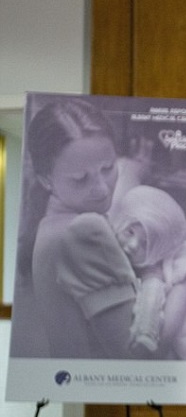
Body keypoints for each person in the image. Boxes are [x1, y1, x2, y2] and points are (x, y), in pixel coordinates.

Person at [19, 98, 139, 358]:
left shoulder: (48, 225)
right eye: (80, 179)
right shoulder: (84, 230)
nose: (102, 188)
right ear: (45, 180)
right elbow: (136, 352)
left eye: (108, 168)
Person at [110, 185, 186, 360]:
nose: (133, 245)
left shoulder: (180, 266)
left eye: (146, 243)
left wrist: (153, 355)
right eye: (129, 232)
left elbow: (169, 330)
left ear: (160, 247)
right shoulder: (125, 264)